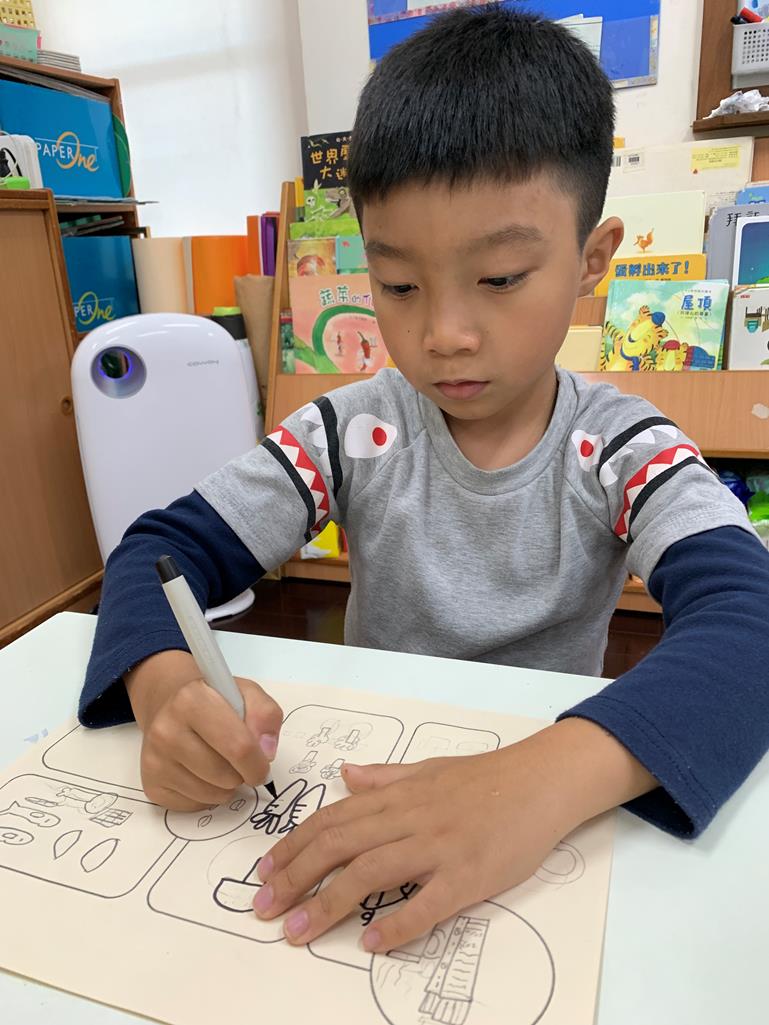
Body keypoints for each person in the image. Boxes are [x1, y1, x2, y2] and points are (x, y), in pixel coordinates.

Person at [79, 6, 769, 954]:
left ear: (591, 262)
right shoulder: (349, 430)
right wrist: (164, 685)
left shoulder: (622, 447)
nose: (443, 333)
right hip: (367, 780)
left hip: (549, 806)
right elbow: (159, 550)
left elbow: (749, 621)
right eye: (399, 286)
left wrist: (540, 780)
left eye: (500, 277)